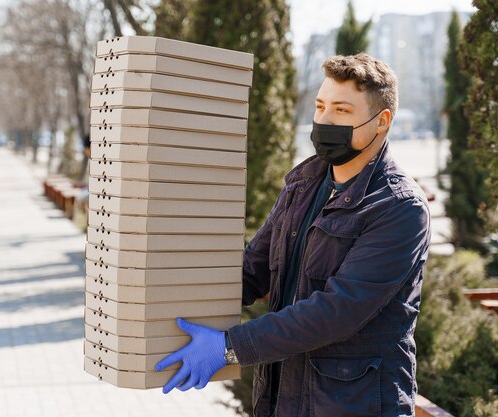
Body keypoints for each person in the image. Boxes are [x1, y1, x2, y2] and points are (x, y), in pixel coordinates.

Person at [155, 54, 431, 417]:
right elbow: (253, 267)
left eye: (342, 111)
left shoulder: (399, 209)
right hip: (282, 399)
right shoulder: (304, 185)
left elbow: (336, 312)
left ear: (381, 122)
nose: (324, 120)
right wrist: (161, 295)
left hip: (354, 405)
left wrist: (228, 347)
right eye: (320, 106)